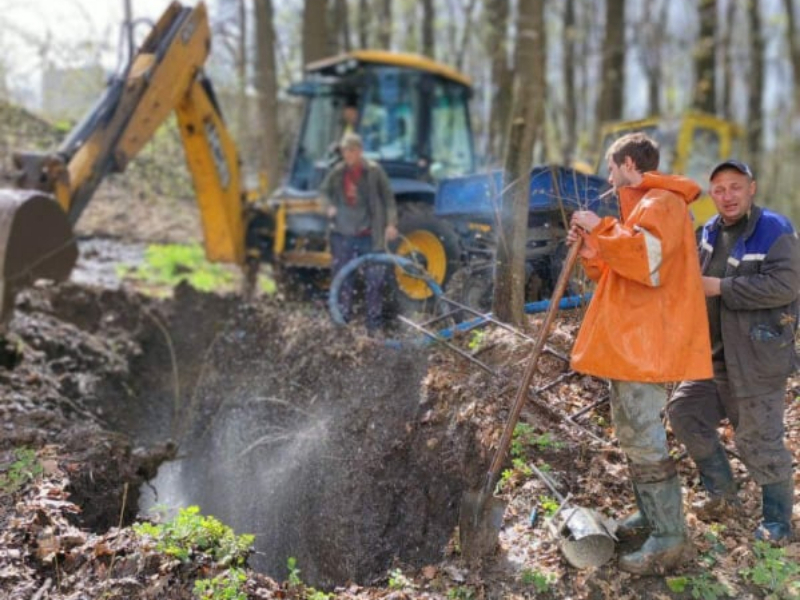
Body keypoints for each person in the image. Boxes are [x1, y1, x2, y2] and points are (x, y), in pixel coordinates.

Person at [566, 132, 713, 575]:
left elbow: (646, 262)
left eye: (611, 168)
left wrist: (600, 226)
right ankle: (652, 519)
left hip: (646, 346)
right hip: (633, 344)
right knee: (634, 433)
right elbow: (619, 273)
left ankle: (668, 536)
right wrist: (593, 247)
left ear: (628, 163)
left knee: (643, 434)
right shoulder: (643, 210)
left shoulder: (662, 203)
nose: (609, 178)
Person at [667, 160, 799, 542]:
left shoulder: (775, 229)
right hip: (712, 357)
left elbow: (785, 287)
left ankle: (777, 522)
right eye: (719, 189)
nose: (727, 196)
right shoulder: (707, 231)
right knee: (685, 413)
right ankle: (723, 494)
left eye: (735, 187)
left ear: (751, 188)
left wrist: (722, 287)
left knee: (759, 439)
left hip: (757, 358)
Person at [320, 133, 399, 335]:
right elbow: (323, 193)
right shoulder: (337, 173)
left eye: (352, 150)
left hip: (369, 234)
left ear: (360, 151)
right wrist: (328, 207)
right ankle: (342, 321)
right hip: (343, 234)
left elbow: (389, 199)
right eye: (345, 151)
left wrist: (390, 224)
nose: (348, 154)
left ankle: (374, 324)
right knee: (343, 279)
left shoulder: (374, 172)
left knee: (375, 280)